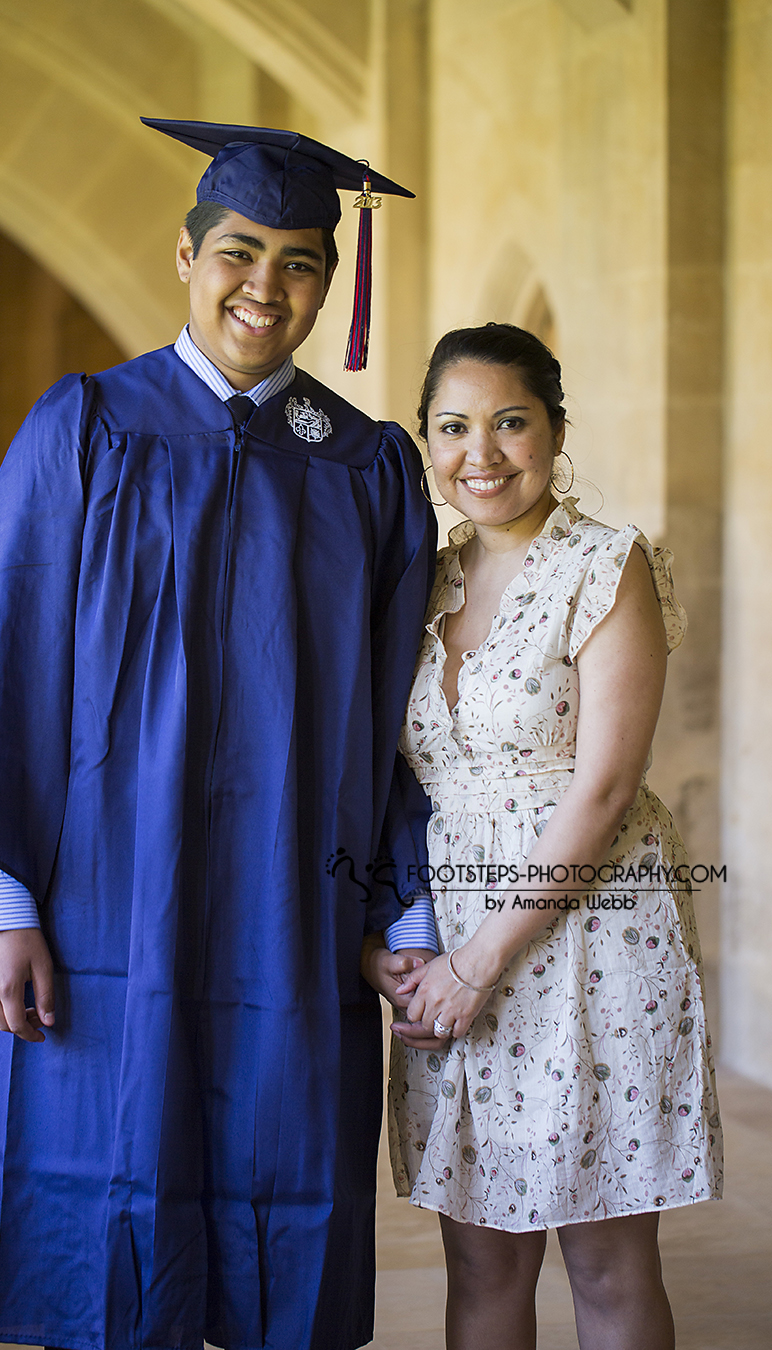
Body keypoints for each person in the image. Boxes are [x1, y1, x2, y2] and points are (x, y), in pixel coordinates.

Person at [0, 121, 437, 1350]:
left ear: (328, 286)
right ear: (185, 255)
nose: (268, 286)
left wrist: (402, 921)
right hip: (102, 905)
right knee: (104, 1201)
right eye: (241, 252)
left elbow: (412, 715)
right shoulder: (86, 428)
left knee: (284, 1192)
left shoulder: (369, 467)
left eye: (302, 262)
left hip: (295, 912)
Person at [382, 324, 722, 1350]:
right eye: (452, 426)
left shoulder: (606, 564)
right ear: (426, 443)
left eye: (509, 422)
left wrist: (478, 963)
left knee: (605, 1259)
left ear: (556, 432)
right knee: (480, 1259)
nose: (479, 452)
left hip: (589, 937)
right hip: (451, 946)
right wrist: (403, 942)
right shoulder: (419, 579)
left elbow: (606, 786)